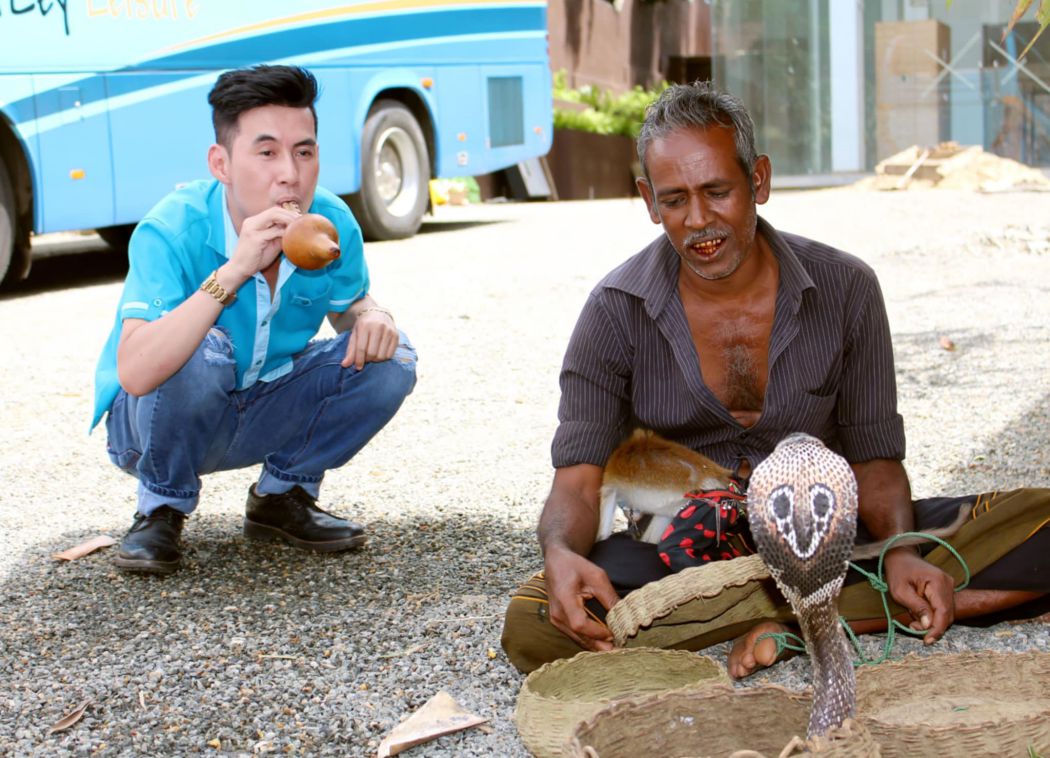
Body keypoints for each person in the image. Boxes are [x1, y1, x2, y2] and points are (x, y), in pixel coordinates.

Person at [500, 81, 1050, 675]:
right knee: (534, 622)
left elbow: (873, 456)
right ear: (649, 202)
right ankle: (817, 614)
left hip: (831, 535)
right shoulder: (615, 310)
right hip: (684, 553)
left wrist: (901, 549)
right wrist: (559, 554)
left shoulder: (846, 289)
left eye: (717, 191)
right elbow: (579, 484)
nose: (700, 220)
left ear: (758, 180)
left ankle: (784, 619)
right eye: (676, 199)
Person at [92, 65, 417, 574]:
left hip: (263, 406)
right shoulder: (170, 227)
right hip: (152, 426)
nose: (290, 172)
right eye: (266, 152)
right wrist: (237, 268)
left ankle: (281, 497)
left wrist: (373, 314)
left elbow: (351, 305)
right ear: (221, 163)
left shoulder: (332, 223)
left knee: (391, 358)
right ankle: (160, 506)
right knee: (200, 349)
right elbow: (135, 370)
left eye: (304, 151)